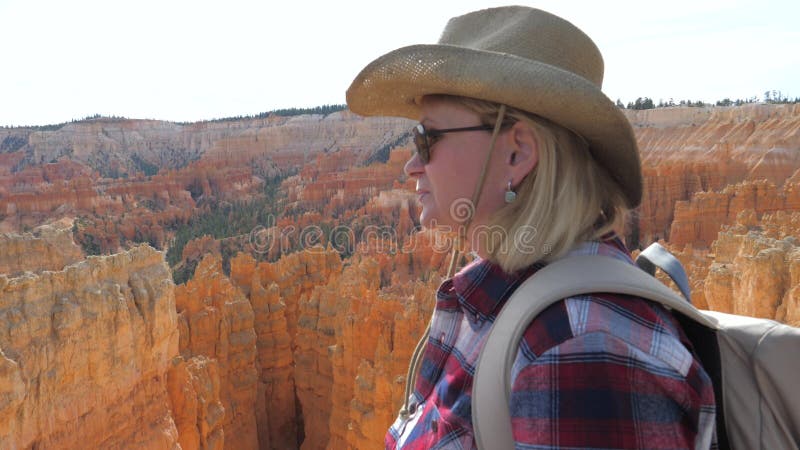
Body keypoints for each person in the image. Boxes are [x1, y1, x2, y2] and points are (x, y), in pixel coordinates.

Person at [347, 6, 716, 449]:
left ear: (517, 153)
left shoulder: (582, 349)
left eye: (426, 140)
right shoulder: (510, 304)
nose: (411, 165)